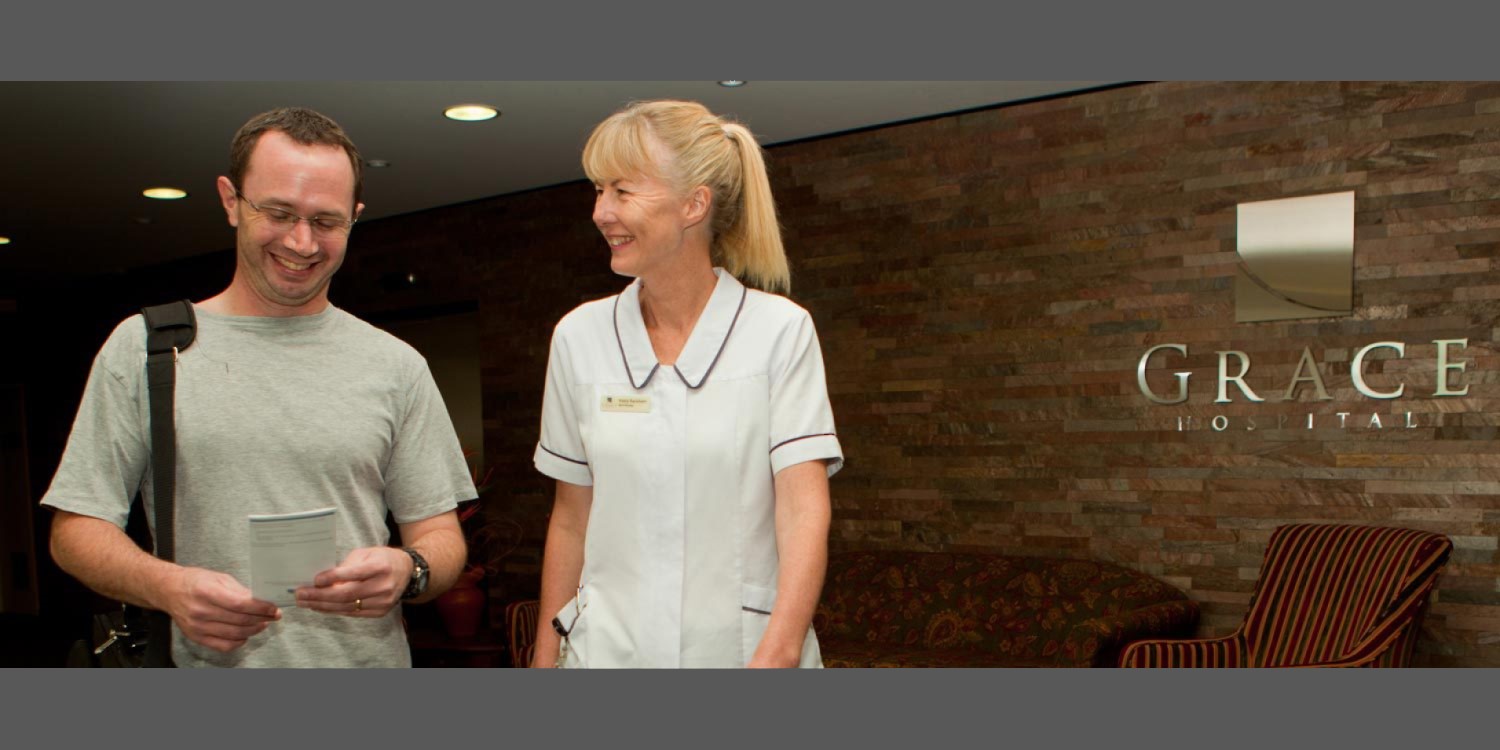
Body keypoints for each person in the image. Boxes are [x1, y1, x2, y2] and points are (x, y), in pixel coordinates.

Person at [41, 107, 475, 667]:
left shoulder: (397, 365)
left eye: (327, 221)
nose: (301, 242)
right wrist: (167, 587)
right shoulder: (148, 347)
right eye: (278, 212)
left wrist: (409, 570)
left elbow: (440, 535)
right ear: (230, 200)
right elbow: (75, 529)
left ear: (355, 217)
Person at [532, 100, 842, 668]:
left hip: (742, 654)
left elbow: (803, 510)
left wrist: (780, 649)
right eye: (598, 190)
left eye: (623, 191)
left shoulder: (779, 331)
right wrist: (545, 657)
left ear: (694, 204)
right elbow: (572, 518)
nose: (601, 211)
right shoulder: (578, 337)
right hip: (605, 654)